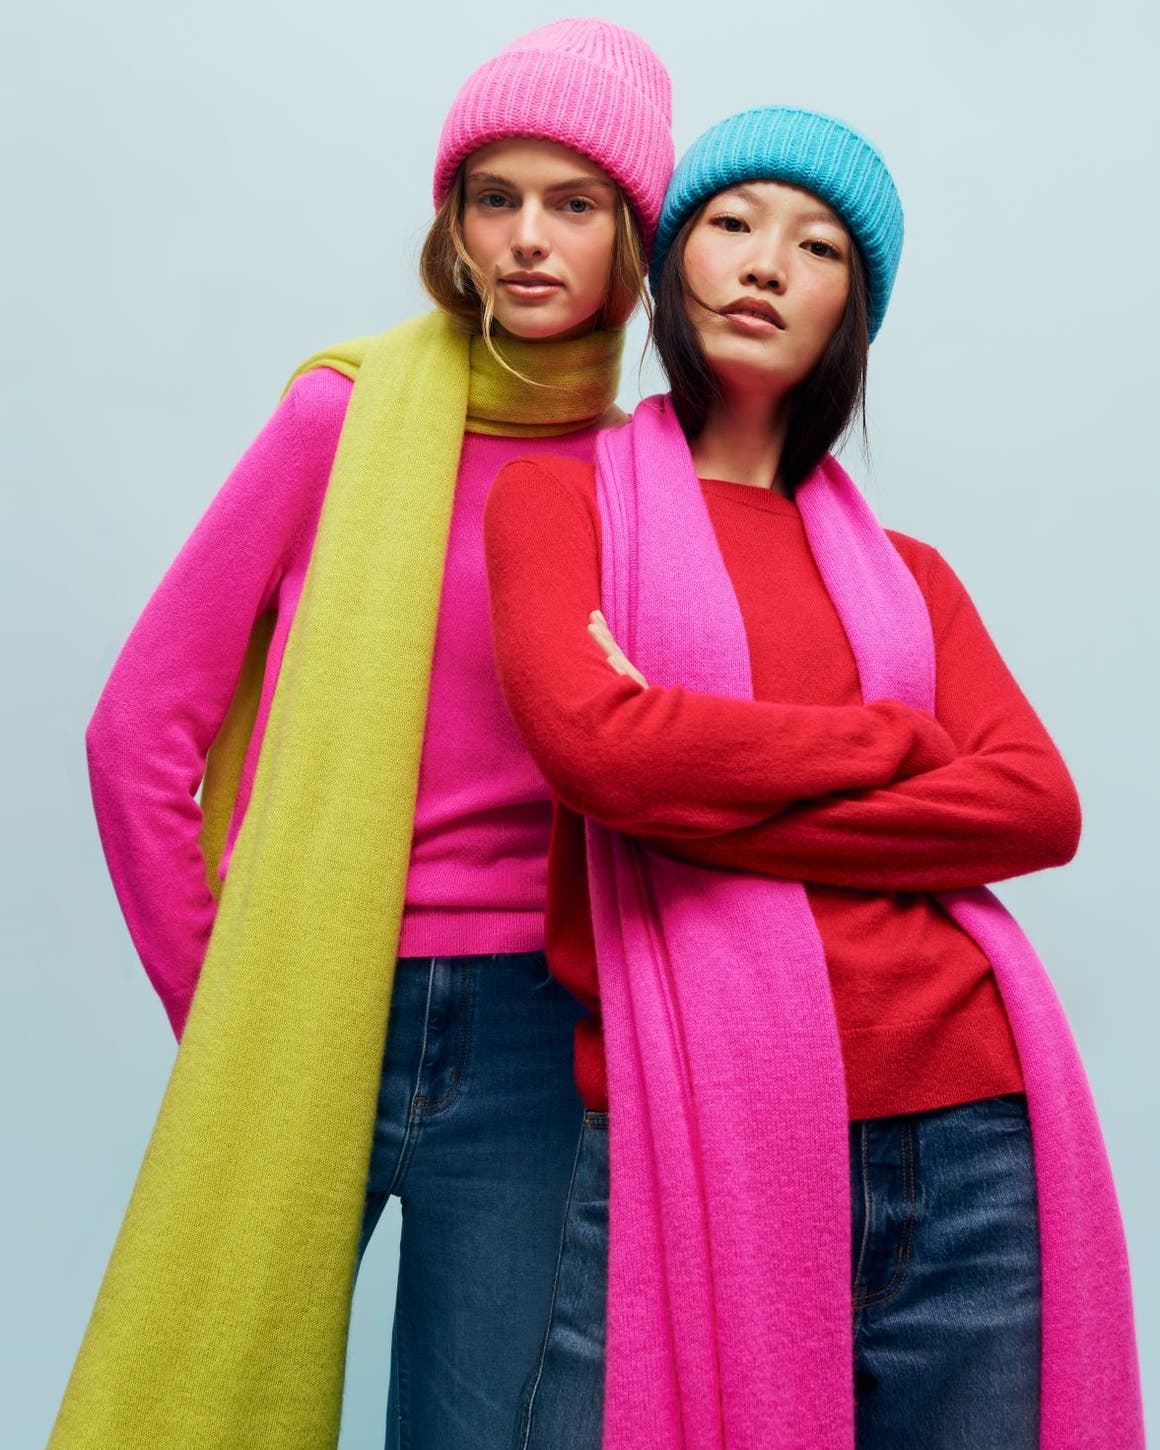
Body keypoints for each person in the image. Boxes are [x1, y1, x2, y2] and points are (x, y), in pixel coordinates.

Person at [48, 22, 673, 1450]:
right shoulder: (344, 416)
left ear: (632, 242)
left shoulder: (652, 478)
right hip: (318, 992)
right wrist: (229, 1000)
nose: (526, 238)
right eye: (493, 197)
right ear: (452, 221)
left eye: (572, 204)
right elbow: (137, 728)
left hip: (534, 1033)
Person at [484, 108, 1143, 1449]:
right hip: (693, 1122)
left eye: (818, 246)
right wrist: (892, 740)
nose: (767, 264)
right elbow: (594, 750)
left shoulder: (910, 574)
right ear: (673, 266)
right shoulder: (561, 509)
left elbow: (1034, 806)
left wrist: (693, 766)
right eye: (731, 225)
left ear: (853, 309)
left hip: (970, 1131)